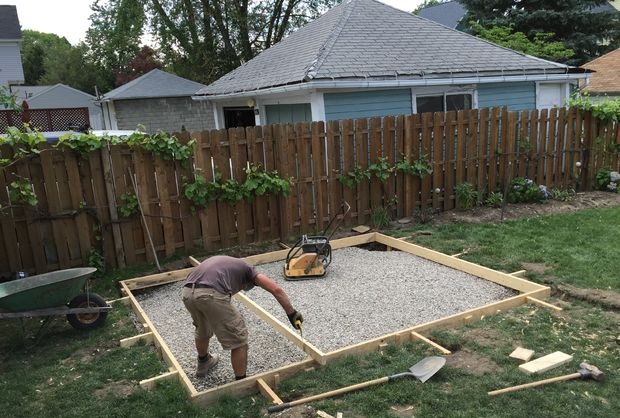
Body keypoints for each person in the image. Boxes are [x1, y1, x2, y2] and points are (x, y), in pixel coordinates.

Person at [181, 255, 303, 380]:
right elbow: (276, 289)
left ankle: (203, 362)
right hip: (210, 294)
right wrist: (292, 313)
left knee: (202, 328)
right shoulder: (249, 270)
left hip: (188, 292)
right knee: (239, 339)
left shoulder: (227, 265)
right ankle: (241, 381)